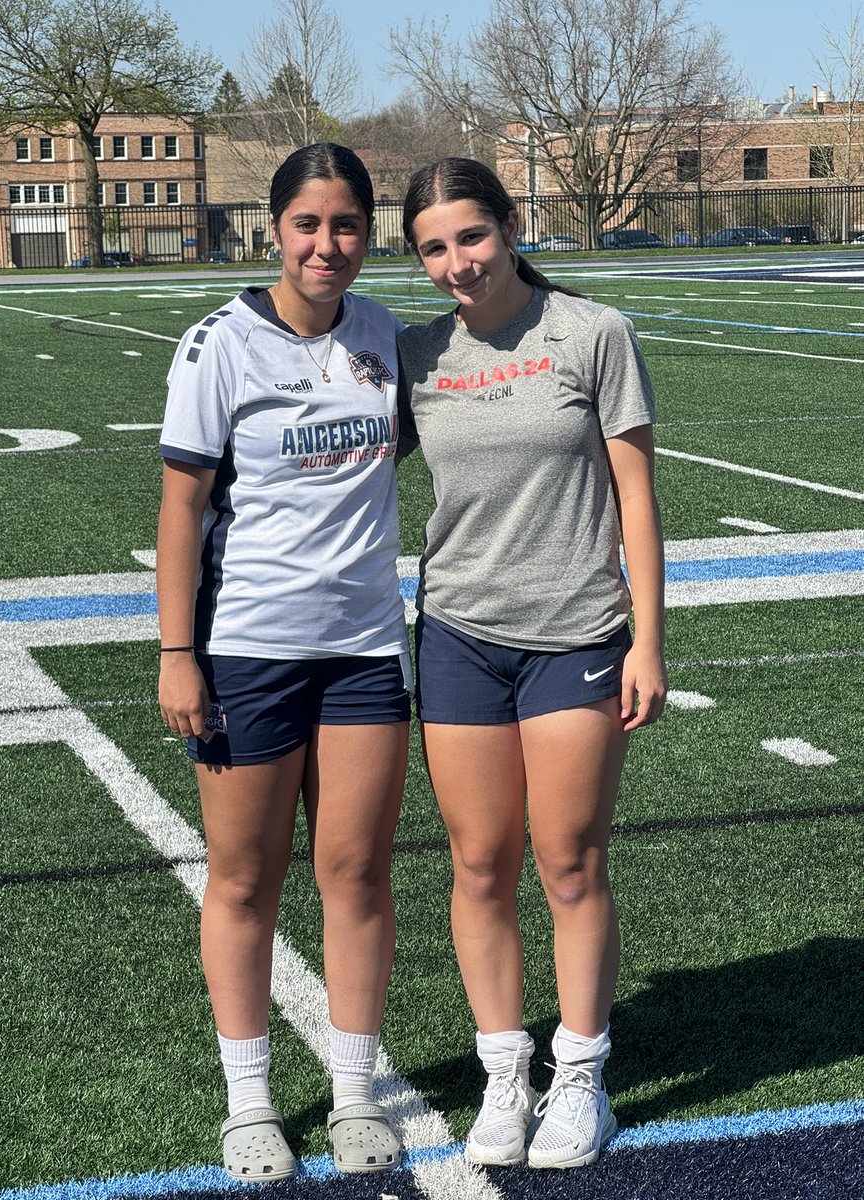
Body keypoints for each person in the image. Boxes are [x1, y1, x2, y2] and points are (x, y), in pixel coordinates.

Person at [396, 158, 667, 1171]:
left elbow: (636, 499)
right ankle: (506, 1075)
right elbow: (340, 463)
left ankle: (582, 1078)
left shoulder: (592, 335)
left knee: (568, 859)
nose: (456, 263)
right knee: (478, 864)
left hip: (577, 635)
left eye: (470, 236)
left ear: (508, 227)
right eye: (433, 247)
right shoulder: (419, 354)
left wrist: (649, 637)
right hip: (460, 636)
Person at [156, 143, 409, 1183]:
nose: (326, 244)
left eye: (345, 224)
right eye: (307, 224)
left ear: (367, 232)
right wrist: (178, 653)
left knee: (354, 873)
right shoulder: (218, 343)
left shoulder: (383, 331)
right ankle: (249, 1101)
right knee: (245, 879)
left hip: (363, 653)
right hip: (247, 650)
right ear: (273, 230)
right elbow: (180, 508)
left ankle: (355, 1094)